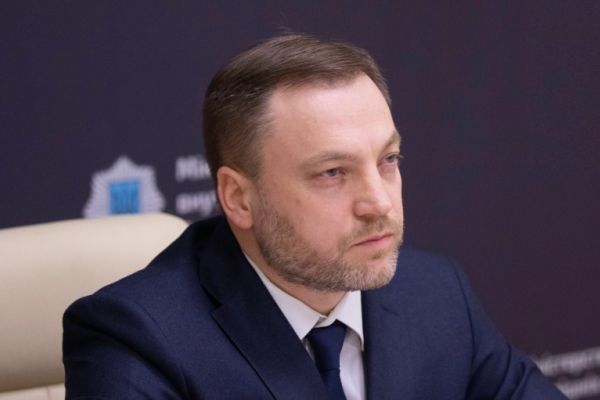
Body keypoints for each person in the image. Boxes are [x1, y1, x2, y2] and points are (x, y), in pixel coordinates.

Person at [63, 34, 567, 399]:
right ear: (238, 198)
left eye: (388, 160)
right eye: (332, 172)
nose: (379, 203)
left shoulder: (436, 294)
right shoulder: (139, 339)